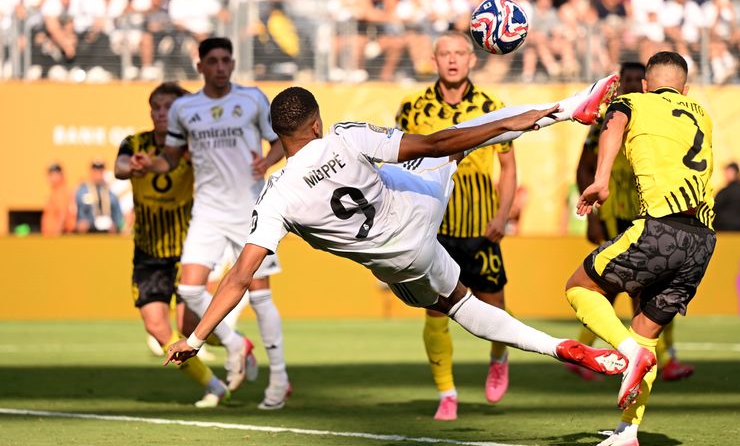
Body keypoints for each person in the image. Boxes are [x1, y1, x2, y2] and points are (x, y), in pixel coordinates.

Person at [164, 77, 630, 399]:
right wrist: (502, 127)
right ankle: (569, 108)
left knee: (461, 307)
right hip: (421, 213)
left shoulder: (274, 198)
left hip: (402, 265)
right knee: (458, 137)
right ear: (315, 125)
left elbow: (239, 277)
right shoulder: (344, 136)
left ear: (278, 135)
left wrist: (198, 338)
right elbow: (432, 146)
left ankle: (559, 350)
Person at [130, 37, 290, 410]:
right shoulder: (186, 108)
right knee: (188, 290)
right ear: (200, 66)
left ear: (232, 64)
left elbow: (278, 142)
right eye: (213, 61)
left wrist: (267, 163)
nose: (220, 67)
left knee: (261, 293)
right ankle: (236, 343)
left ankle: (279, 379)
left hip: (251, 208)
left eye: (225, 61)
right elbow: (170, 157)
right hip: (209, 211)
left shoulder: (251, 99)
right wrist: (149, 165)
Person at [570, 51, 716, 446]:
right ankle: (628, 432)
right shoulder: (700, 113)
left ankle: (626, 353)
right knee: (646, 333)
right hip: (702, 240)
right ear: (685, 90)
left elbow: (613, 124)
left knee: (579, 287)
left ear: (647, 86)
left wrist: (601, 180)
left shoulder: (634, 101)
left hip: (661, 227)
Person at [395, 31, 517, 421]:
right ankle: (447, 392)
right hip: (433, 228)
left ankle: (499, 356)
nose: (452, 60)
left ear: (472, 60)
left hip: (481, 228)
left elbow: (509, 166)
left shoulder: (491, 105)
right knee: (436, 310)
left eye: (459, 53)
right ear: (434, 60)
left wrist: (503, 214)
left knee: (493, 305)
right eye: (444, 53)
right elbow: (399, 163)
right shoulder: (412, 107)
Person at [572, 62, 695, 383]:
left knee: (646, 292)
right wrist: (594, 215)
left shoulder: (658, 118)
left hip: (650, 213)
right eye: (623, 79)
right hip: (615, 212)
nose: (628, 85)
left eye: (632, 80)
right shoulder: (608, 119)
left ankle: (656, 357)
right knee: (612, 289)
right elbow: (582, 168)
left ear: (643, 84)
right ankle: (648, 357)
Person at [114, 81, 230, 408]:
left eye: (169, 107)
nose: (161, 113)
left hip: (186, 248)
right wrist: (131, 166)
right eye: (156, 107)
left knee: (189, 325)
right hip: (148, 252)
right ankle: (213, 385)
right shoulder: (134, 143)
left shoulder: (192, 146)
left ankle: (236, 345)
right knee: (156, 327)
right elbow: (120, 167)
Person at [75, 160, 123, 233]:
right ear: (91, 172)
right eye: (95, 171)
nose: (98, 174)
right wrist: (81, 223)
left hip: (107, 230)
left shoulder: (111, 192)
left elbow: (118, 216)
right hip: (89, 230)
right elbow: (77, 214)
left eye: (100, 171)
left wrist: (116, 225)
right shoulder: (82, 191)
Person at [41, 162, 76, 236]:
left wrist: (57, 234)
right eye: (50, 175)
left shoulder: (61, 191)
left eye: (53, 174)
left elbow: (62, 215)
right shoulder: (56, 191)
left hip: (56, 237)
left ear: (61, 175)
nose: (50, 178)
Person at [713, 162, 740, 232]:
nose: (725, 174)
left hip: (725, 228)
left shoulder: (726, 191)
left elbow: (714, 206)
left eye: (728, 172)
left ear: (734, 173)